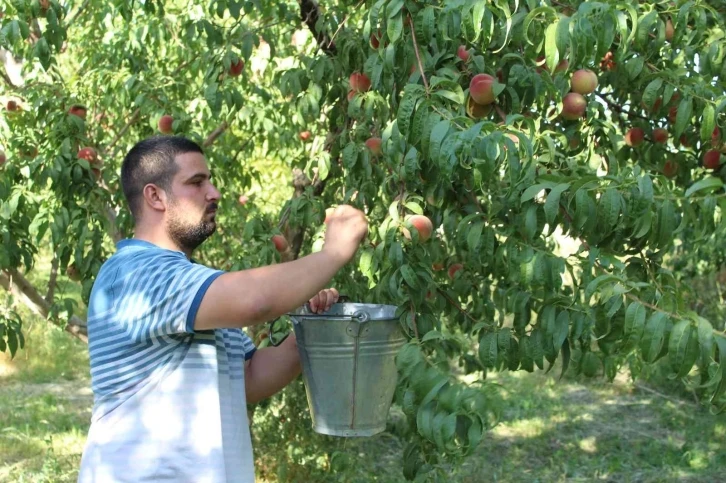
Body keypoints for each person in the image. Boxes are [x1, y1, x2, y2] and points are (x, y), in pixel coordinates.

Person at [77, 136, 369, 483]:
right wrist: (332, 253)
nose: (214, 193)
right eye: (197, 182)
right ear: (155, 196)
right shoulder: (135, 273)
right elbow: (254, 301)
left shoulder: (191, 288)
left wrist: (309, 330)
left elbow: (248, 378)